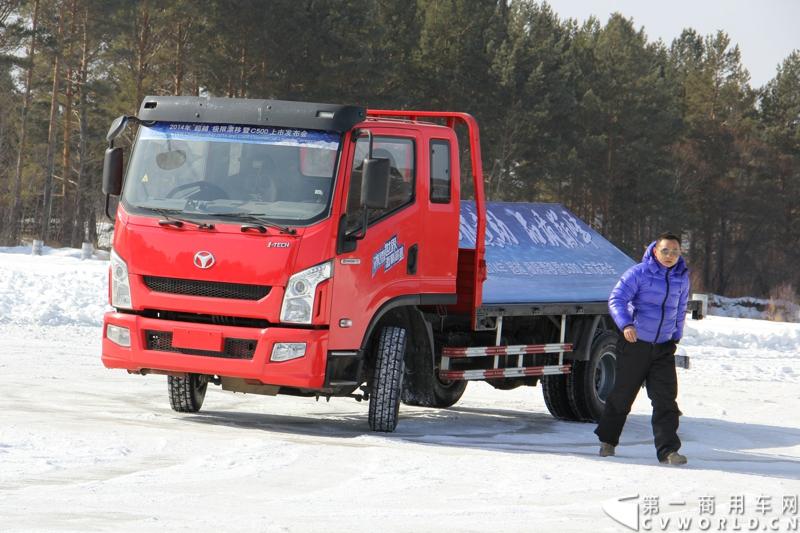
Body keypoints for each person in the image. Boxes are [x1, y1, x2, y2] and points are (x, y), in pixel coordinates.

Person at [595, 232, 690, 465]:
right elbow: (616, 299)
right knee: (622, 396)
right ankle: (608, 441)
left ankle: (668, 451)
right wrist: (626, 324)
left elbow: (680, 308)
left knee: (666, 400)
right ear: (655, 251)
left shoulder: (681, 277)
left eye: (675, 251)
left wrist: (676, 334)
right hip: (635, 344)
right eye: (665, 250)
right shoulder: (639, 272)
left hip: (663, 347)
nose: (669, 255)